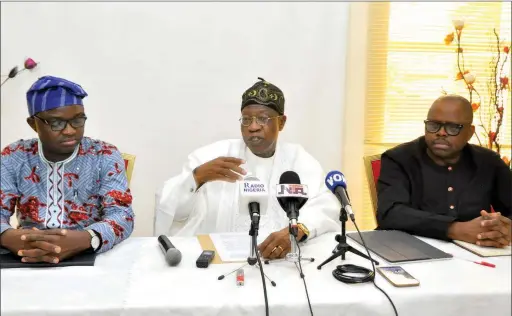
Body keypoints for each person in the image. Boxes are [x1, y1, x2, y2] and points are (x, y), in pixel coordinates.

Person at [155, 77, 339, 259]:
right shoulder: (211, 156)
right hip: (219, 263)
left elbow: (326, 205)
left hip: (281, 263)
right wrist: (197, 178)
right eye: (246, 119)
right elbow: (169, 208)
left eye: (262, 118)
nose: (253, 127)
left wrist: (297, 230)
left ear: (281, 122)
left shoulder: (299, 160)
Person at [0, 75, 135, 264]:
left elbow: (122, 216)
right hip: (26, 256)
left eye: (78, 120)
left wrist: (89, 238)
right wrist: (7, 236)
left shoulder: (104, 155)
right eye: (56, 123)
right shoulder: (14, 156)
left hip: (91, 256)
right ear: (33, 124)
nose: (70, 130)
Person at [377, 95, 511, 247]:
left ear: (470, 132)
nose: (441, 133)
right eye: (434, 125)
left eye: (453, 127)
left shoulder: (489, 162)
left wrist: (503, 230)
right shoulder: (399, 158)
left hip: (477, 253)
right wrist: (455, 229)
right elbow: (390, 213)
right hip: (409, 248)